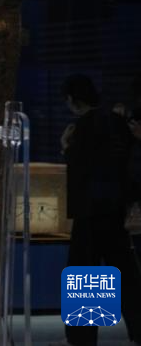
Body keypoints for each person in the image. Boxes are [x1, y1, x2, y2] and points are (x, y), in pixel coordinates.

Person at [58, 74, 141, 346]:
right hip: (116, 209)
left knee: (86, 274)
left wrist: (66, 148)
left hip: (89, 211)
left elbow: (81, 168)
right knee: (126, 274)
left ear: (73, 100)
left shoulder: (81, 128)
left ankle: (82, 337)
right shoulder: (117, 122)